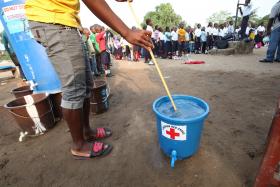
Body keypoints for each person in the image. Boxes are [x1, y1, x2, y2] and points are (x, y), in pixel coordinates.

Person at [25, 0, 153, 159]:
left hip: (65, 23)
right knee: (74, 89)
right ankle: (78, 145)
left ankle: (86, 131)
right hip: (53, 21)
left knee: (85, 84)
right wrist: (126, 32)